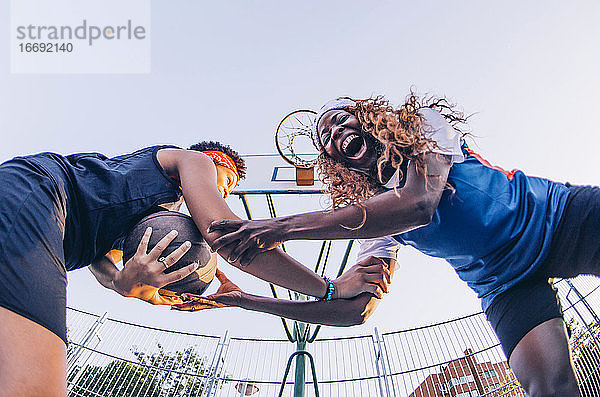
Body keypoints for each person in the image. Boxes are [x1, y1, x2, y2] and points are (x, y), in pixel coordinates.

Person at [207, 94, 598, 396]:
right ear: (333, 161)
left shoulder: (422, 126)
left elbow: (420, 203)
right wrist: (247, 300)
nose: (336, 132)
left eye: (342, 119)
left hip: (557, 218)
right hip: (504, 284)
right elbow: (355, 312)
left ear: (370, 119)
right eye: (325, 137)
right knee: (549, 388)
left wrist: (283, 227)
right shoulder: (374, 220)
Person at [0, 141, 390, 396]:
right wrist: (328, 289)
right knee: (37, 384)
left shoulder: (148, 214)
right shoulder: (192, 160)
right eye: (228, 183)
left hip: (53, 231)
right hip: (38, 192)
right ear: (216, 163)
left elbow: (100, 262)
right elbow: (228, 239)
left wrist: (124, 284)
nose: (223, 193)